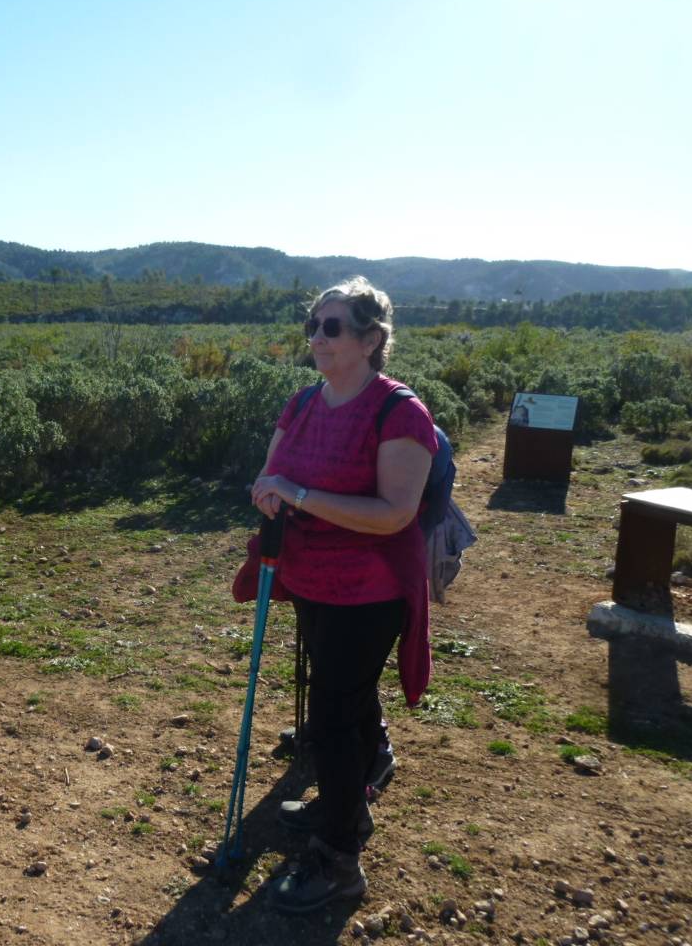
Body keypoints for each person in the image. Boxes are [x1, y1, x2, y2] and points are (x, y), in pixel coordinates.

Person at [249, 277, 437, 914]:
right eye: (313, 325)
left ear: (371, 339)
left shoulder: (399, 412)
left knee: (330, 716)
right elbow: (271, 474)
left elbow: (394, 514)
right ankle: (346, 793)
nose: (317, 337)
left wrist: (295, 494)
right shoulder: (304, 402)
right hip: (311, 578)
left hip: (371, 588)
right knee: (342, 696)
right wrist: (270, 490)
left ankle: (340, 857)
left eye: (332, 327)